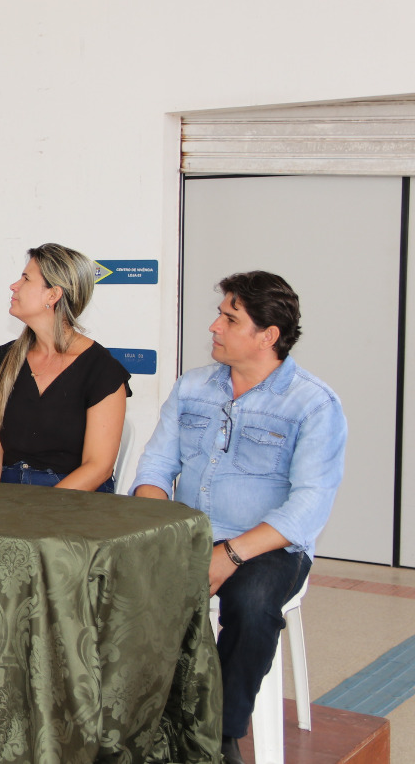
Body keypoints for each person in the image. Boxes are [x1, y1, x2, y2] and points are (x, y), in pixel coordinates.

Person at [131, 271, 346, 764]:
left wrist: (230, 553)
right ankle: (138, 722)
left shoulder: (313, 404)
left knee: (251, 604)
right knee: (116, 583)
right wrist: (156, 528)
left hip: (268, 546)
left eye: (230, 318)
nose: (214, 326)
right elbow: (156, 467)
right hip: (188, 534)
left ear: (268, 336)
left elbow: (309, 505)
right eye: (219, 315)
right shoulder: (192, 387)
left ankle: (217, 736)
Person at [0, 243, 130, 492]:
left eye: (26, 279)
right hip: (6, 494)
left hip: (71, 498)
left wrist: (43, 509)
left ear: (53, 295)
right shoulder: (0, 361)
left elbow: (98, 466)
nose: (14, 286)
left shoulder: (102, 371)